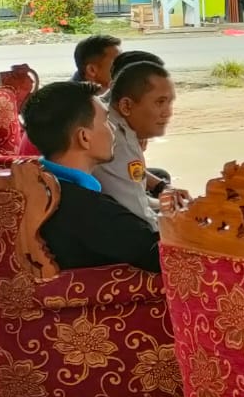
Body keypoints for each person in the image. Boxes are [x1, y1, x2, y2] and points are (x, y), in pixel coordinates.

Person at [21, 81, 161, 273]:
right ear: (84, 138)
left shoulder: (39, 182)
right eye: (106, 121)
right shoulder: (88, 208)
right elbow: (162, 255)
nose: (112, 129)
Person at [95, 60, 175, 228]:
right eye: (160, 102)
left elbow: (136, 197)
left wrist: (164, 203)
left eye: (169, 102)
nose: (168, 113)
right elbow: (141, 220)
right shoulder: (117, 142)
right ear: (126, 106)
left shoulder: (117, 125)